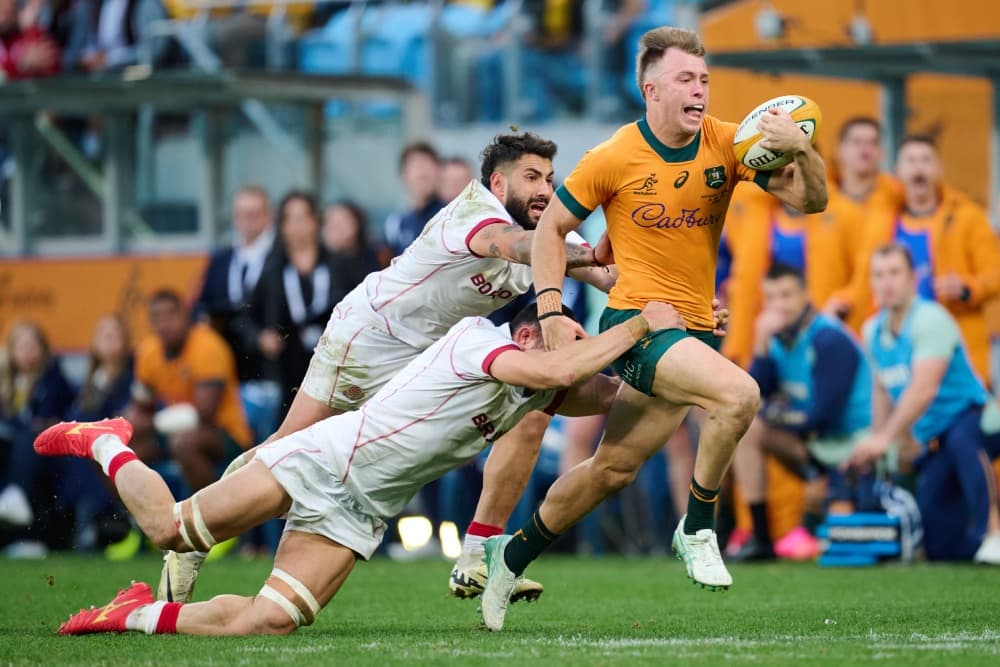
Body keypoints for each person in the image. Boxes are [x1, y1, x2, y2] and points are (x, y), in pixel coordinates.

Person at [37, 299, 682, 636]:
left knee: (270, 621)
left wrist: (685, 348)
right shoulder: (480, 342)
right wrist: (637, 326)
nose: (580, 353)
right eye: (567, 335)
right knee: (167, 529)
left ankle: (130, 614)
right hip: (323, 461)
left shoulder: (537, 379)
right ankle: (104, 441)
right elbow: (566, 368)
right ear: (526, 337)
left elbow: (615, 388)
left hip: (362, 508)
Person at [156, 132, 612, 606]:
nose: (544, 190)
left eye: (550, 180)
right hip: (370, 338)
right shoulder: (480, 215)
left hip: (428, 356)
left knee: (531, 404)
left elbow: (606, 272)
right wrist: (593, 253)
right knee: (287, 448)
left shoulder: (550, 232)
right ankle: (192, 539)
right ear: (498, 183)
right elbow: (518, 247)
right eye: (531, 178)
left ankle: (477, 553)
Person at [480, 26, 828, 630]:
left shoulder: (726, 144)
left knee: (610, 472)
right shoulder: (614, 156)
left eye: (705, 80)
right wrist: (553, 309)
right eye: (687, 80)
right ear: (651, 89)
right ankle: (697, 526)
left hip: (691, 330)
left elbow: (812, 200)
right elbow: (549, 232)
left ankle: (507, 559)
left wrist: (802, 148)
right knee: (741, 395)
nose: (700, 91)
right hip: (638, 326)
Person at [846, 243, 1000, 564]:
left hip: (977, 417)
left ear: (912, 278)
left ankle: (994, 533)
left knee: (963, 438)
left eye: (894, 273)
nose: (886, 282)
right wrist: (880, 444)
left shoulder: (930, 318)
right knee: (942, 546)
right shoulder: (872, 330)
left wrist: (886, 437)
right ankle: (975, 547)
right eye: (878, 275)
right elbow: (881, 393)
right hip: (935, 437)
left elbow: (923, 389)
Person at [729, 263, 872, 562]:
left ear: (805, 295)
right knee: (747, 427)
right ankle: (761, 538)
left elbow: (823, 417)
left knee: (846, 546)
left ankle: (819, 502)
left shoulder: (828, 339)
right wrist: (761, 344)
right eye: (770, 297)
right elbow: (752, 398)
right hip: (815, 445)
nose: (778, 306)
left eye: (786, 295)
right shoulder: (778, 339)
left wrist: (772, 412)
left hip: (853, 448)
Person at [831, 136, 1000, 384]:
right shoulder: (881, 221)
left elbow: (995, 273)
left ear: (939, 168)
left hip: (955, 348)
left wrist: (967, 288)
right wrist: (841, 303)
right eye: (911, 161)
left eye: (926, 160)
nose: (919, 168)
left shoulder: (967, 217)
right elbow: (863, 279)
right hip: (898, 351)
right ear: (897, 171)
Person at [125, 290, 252, 493]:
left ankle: (218, 517)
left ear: (185, 316)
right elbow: (141, 406)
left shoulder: (208, 346)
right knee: (115, 452)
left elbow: (203, 415)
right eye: (157, 318)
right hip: (173, 432)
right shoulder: (148, 352)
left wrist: (152, 423)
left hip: (223, 432)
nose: (165, 324)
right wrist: (129, 424)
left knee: (183, 444)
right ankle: (137, 520)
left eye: (171, 315)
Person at [252, 191, 355, 418]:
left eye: (303, 217)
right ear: (282, 226)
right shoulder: (273, 271)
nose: (297, 226)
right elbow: (247, 318)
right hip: (287, 372)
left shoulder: (339, 265)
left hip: (335, 368)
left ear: (315, 221)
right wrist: (261, 338)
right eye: (290, 219)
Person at [196, 185, 281, 444]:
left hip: (269, 371)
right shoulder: (220, 260)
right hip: (228, 373)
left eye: (256, 213)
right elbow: (200, 305)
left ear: (269, 216)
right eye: (243, 214)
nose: (249, 221)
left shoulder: (281, 257)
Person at [0, 322, 75, 548]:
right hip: (9, 448)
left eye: (32, 346)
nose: (27, 353)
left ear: (43, 350)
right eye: (21, 347)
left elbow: (49, 419)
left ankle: (16, 497)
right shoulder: (5, 383)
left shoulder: (54, 379)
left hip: (48, 453)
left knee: (29, 438)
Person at [382, 142, 445, 258]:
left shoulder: (452, 216)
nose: (422, 172)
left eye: (427, 165)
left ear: (439, 172)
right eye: (416, 166)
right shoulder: (396, 224)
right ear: (403, 175)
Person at [321, 199, 380, 281]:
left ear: (357, 224)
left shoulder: (373, 260)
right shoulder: (317, 264)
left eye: (342, 222)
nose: (335, 227)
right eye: (330, 222)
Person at [0, 0, 59, 79]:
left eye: (9, 10)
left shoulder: (32, 33)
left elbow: (54, 63)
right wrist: (20, 66)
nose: (4, 17)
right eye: (1, 10)